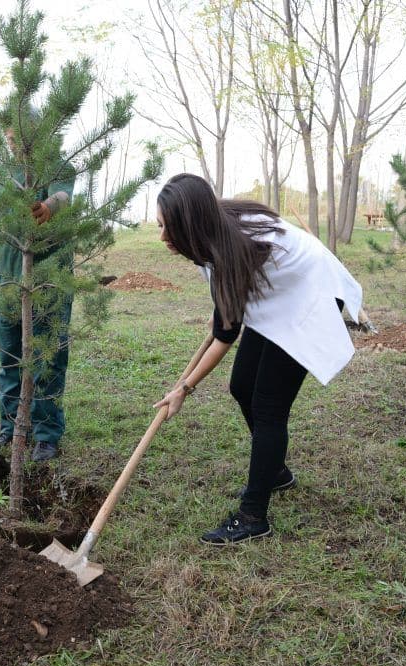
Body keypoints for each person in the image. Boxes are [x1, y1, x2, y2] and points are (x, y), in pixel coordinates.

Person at [153, 173, 362, 545]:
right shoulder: (214, 233)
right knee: (241, 385)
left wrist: (184, 388)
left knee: (268, 405)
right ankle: (275, 471)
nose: (163, 236)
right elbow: (226, 316)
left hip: (309, 297)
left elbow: (225, 336)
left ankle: (253, 517)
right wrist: (224, 309)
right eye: (159, 226)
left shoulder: (234, 248)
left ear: (190, 225)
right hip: (280, 292)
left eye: (168, 228)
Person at [0, 127, 75, 463]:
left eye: (18, 137)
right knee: (11, 361)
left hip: (49, 285)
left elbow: (63, 197)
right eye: (8, 139)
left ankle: (46, 435)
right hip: (7, 285)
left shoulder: (58, 166)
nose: (13, 144)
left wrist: (48, 205)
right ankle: (11, 428)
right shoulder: (0, 175)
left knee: (46, 361)